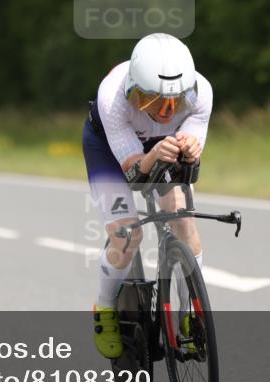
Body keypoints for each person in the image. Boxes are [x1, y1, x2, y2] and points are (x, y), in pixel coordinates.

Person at [83, 33, 212, 359]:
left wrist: (192, 149)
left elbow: (189, 162)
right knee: (127, 233)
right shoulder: (112, 99)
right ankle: (106, 307)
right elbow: (132, 171)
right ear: (134, 92)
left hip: (163, 148)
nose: (168, 111)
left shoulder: (201, 93)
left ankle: (190, 316)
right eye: (154, 101)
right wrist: (154, 155)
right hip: (111, 153)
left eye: (177, 101)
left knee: (183, 220)